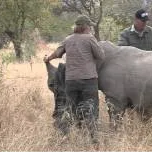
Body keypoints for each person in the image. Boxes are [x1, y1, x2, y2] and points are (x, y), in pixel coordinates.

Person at [43, 15, 105, 143]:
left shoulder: (68, 39)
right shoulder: (90, 38)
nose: (90, 29)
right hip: (89, 80)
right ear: (85, 27)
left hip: (71, 81)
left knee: (69, 108)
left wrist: (47, 59)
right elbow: (101, 56)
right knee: (91, 107)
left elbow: (57, 53)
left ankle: (64, 136)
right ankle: (93, 138)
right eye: (89, 26)